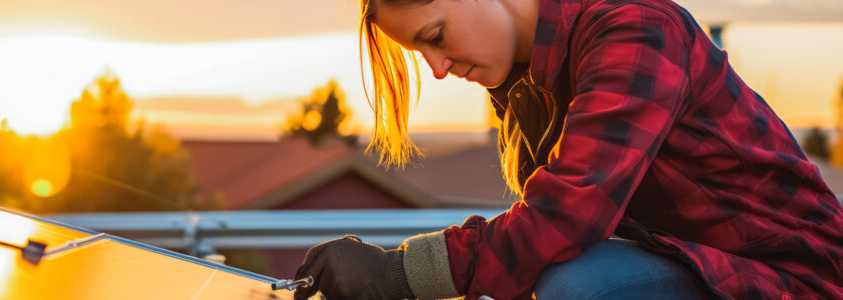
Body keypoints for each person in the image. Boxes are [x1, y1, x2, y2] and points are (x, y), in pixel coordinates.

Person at [293, 0, 843, 299]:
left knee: (580, 285)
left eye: (435, 37)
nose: (437, 70)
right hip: (689, 263)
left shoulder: (634, 28)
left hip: (791, 279)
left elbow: (564, 217)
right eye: (420, 53)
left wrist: (399, 274)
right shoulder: (524, 80)